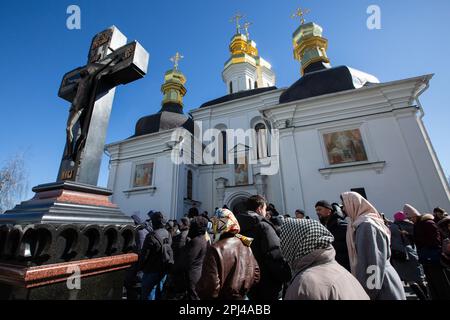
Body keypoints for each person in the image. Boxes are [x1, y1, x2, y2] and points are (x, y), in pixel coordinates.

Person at [280, 218, 369, 300]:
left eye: (284, 241)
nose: (282, 247)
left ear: (293, 243)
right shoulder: (338, 269)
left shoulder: (304, 284)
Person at [341, 192, 406, 300]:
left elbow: (372, 261)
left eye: (344, 205)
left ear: (353, 204)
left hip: (380, 285)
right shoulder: (366, 222)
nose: (343, 209)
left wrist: (369, 291)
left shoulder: (366, 225)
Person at [196, 208, 260, 300]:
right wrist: (243, 289)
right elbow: (256, 275)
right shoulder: (245, 244)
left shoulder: (215, 249)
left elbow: (211, 287)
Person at [236, 195, 291, 300]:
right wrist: (285, 275)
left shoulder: (238, 227)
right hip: (268, 282)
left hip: (248, 280)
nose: (265, 212)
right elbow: (274, 254)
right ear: (259, 209)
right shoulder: (263, 226)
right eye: (265, 209)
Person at [404, 204, 450, 300]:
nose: (410, 220)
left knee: (441, 284)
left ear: (415, 215)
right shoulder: (418, 224)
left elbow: (435, 241)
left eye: (410, 218)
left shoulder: (428, 223)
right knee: (433, 284)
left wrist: (419, 240)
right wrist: (410, 236)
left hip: (434, 258)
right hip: (426, 259)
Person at [389, 211, 428, 300]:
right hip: (412, 251)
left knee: (409, 278)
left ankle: (421, 297)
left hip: (400, 254)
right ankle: (427, 295)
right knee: (419, 277)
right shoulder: (411, 225)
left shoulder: (393, 227)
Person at [139, 211, 174, 300]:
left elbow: (144, 256)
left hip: (151, 270)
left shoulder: (151, 236)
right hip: (163, 268)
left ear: (154, 222)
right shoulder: (168, 233)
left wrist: (139, 268)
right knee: (160, 292)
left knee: (149, 294)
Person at [315, 200, 351, 271]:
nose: (317, 212)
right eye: (316, 210)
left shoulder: (340, 225)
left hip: (345, 267)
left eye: (319, 209)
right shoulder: (324, 226)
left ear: (329, 210)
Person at [124, 214, 151, 300]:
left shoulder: (139, 232)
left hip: (137, 267)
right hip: (140, 267)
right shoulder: (144, 230)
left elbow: (141, 251)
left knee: (133, 286)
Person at [184, 216, 209, 300]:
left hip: (193, 276)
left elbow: (187, 260)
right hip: (199, 273)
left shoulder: (197, 240)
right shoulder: (204, 238)